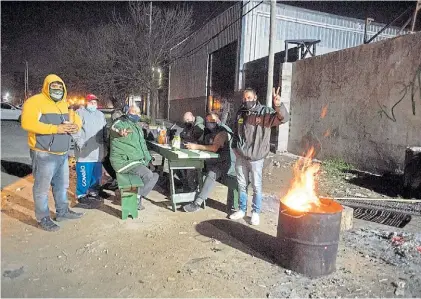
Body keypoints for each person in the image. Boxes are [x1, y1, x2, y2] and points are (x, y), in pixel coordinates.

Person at [21, 74, 83, 232]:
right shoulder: (34, 102)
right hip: (43, 153)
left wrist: (76, 125)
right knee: (41, 188)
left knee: (61, 186)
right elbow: (27, 123)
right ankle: (43, 218)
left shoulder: (63, 104)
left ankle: (62, 211)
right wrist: (55, 129)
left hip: (62, 153)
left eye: (60, 87)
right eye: (54, 87)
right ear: (47, 87)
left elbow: (75, 119)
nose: (57, 90)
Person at [229, 87, 290, 225]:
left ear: (255, 98)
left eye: (249, 98)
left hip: (257, 158)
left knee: (256, 186)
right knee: (241, 184)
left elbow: (283, 118)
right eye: (244, 98)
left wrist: (278, 105)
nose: (246, 100)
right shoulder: (241, 112)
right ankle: (242, 210)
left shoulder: (264, 113)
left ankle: (255, 213)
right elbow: (235, 131)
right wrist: (234, 147)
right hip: (241, 156)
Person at [182, 112, 235, 213]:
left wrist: (196, 146)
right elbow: (205, 143)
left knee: (211, 173)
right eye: (207, 122)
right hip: (214, 160)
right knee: (195, 166)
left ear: (217, 121)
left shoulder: (223, 132)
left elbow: (214, 148)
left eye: (212, 121)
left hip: (227, 163)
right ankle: (191, 191)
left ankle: (197, 203)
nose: (209, 123)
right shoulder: (209, 131)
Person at [109, 105, 158, 210]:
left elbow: (143, 145)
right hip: (124, 161)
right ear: (128, 112)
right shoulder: (120, 122)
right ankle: (134, 199)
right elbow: (114, 128)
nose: (137, 115)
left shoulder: (137, 126)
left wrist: (148, 159)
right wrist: (120, 132)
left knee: (156, 175)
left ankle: (137, 196)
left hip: (135, 160)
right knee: (148, 175)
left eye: (138, 113)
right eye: (134, 112)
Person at [72, 94, 107, 205]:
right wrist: (81, 143)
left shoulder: (100, 115)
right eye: (91, 102)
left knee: (96, 175)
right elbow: (75, 130)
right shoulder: (79, 113)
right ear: (86, 102)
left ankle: (93, 192)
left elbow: (104, 132)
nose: (93, 104)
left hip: (97, 152)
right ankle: (81, 194)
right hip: (84, 153)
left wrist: (104, 148)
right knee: (84, 175)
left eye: (95, 102)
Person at [101, 109, 124, 191]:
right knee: (105, 160)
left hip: (121, 153)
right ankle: (115, 177)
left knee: (108, 160)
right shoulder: (112, 127)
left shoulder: (121, 126)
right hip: (115, 150)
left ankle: (117, 179)